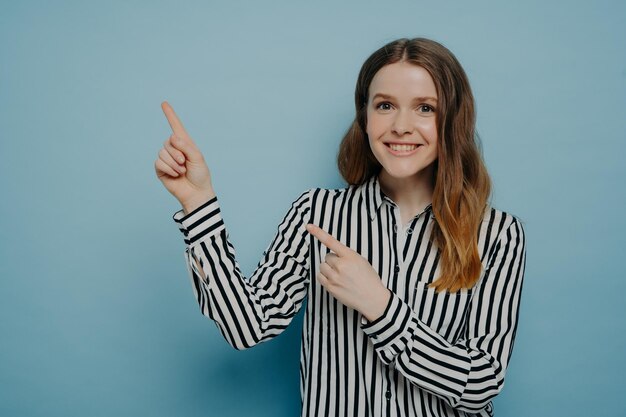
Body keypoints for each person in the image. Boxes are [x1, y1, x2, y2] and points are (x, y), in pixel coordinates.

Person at [154, 37, 526, 417]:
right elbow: (245, 326)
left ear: (451, 121)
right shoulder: (316, 214)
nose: (401, 126)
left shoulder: (497, 234)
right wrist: (198, 202)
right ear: (364, 117)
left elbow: (481, 382)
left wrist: (381, 308)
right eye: (385, 106)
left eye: (425, 108)